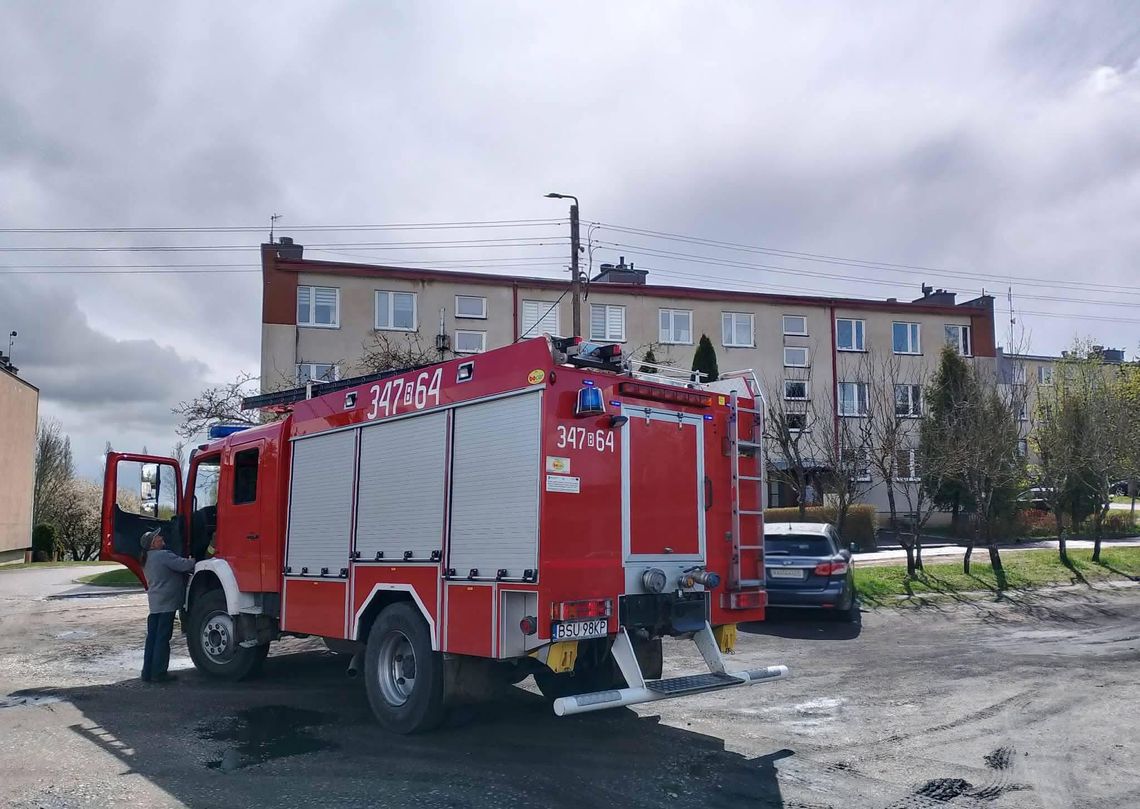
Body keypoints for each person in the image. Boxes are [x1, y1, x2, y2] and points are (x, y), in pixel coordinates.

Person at [139, 528, 195, 683]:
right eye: (158, 537)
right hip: (167, 605)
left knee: (152, 638)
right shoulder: (163, 555)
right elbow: (184, 565)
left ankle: (147, 672)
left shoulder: (146, 559)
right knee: (163, 639)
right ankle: (159, 673)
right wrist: (194, 560)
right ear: (153, 544)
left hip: (155, 605)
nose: (161, 537)